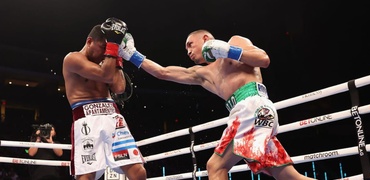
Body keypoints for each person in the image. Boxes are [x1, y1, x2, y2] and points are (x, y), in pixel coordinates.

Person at [118, 30, 314, 180]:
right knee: (286, 176)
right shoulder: (203, 74)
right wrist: (132, 55)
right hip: (251, 115)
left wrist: (228, 50)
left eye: (190, 44)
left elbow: (263, 59)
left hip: (252, 108)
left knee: (215, 166)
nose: (188, 51)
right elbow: (163, 72)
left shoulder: (235, 42)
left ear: (205, 39)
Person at [62, 17, 146, 180]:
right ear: (89, 41)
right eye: (103, 48)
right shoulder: (72, 59)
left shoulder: (108, 59)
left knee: (138, 171)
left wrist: (119, 57)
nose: (104, 53)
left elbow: (119, 88)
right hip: (87, 119)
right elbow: (105, 76)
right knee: (87, 176)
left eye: (108, 49)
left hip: (112, 117)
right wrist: (113, 47)